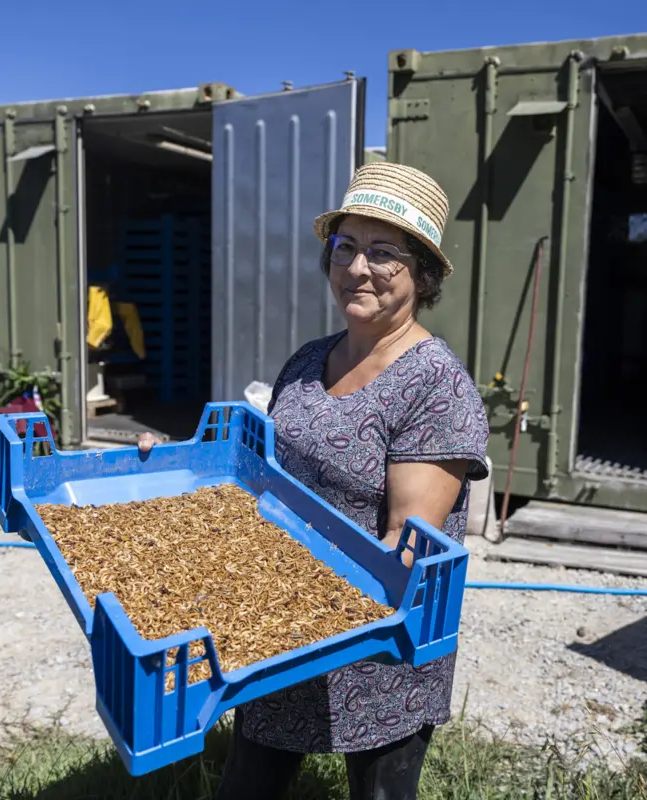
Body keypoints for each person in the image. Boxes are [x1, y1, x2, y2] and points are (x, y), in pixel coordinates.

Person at [138, 162, 490, 800]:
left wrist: (298, 605)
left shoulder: (435, 384)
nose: (357, 268)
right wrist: (172, 475)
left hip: (374, 649)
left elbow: (404, 549)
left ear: (422, 274)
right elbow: (262, 477)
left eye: (383, 253)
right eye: (345, 247)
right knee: (248, 785)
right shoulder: (306, 360)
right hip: (278, 626)